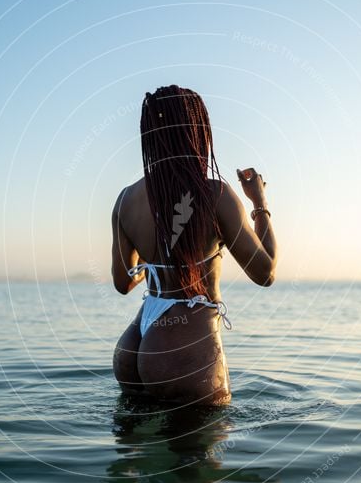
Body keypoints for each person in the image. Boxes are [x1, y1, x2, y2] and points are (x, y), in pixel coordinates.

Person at [110, 85, 277, 405]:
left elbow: (123, 282)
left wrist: (160, 260)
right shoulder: (215, 196)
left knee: (135, 452)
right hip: (183, 349)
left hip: (134, 343)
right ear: (197, 131)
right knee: (197, 451)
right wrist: (259, 202)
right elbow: (265, 272)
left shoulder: (126, 199)